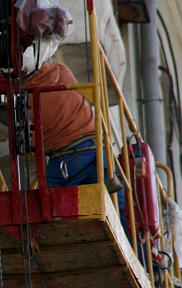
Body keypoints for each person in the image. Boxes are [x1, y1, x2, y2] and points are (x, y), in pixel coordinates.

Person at [23, 41, 127, 224]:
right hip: (96, 153)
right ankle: (140, 250)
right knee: (120, 210)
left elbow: (30, 145)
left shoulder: (26, 96)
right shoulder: (60, 72)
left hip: (66, 165)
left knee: (43, 211)